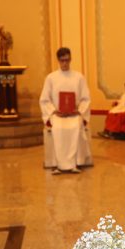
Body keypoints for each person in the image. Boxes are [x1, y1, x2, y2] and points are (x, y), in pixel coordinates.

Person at [39, 47, 91, 175]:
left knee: (75, 126)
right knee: (58, 128)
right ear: (58, 60)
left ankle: (74, 164)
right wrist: (54, 111)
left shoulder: (79, 77)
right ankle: (58, 165)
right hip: (58, 115)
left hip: (74, 114)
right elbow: (44, 99)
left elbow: (86, 98)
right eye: (62, 61)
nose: (65, 63)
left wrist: (78, 111)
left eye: (67, 60)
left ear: (70, 59)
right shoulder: (51, 78)